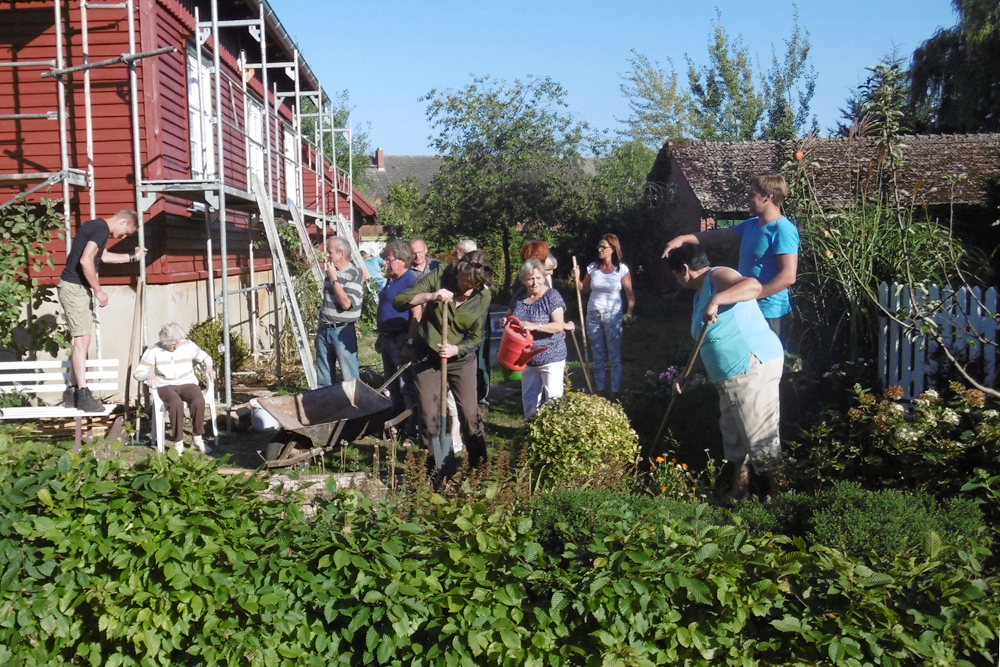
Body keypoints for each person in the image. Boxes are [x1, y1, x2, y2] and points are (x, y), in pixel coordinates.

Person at [667, 244, 784, 503]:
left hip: (751, 365)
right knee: (734, 433)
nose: (677, 279)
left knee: (758, 431)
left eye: (676, 274)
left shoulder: (718, 276)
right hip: (729, 375)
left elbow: (752, 286)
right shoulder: (700, 295)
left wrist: (717, 299)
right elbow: (705, 342)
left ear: (685, 269)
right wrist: (685, 375)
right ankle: (739, 492)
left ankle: (780, 497)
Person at [662, 173, 799, 347]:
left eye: (752, 194)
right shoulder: (751, 225)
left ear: (768, 197)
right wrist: (683, 238)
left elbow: (788, 276)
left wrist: (754, 294)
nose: (747, 199)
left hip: (771, 313)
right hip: (749, 307)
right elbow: (718, 235)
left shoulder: (782, 230)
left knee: (772, 366)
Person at [394, 251, 493, 479]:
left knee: (469, 415)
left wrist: (456, 349)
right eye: (464, 280)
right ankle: (440, 470)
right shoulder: (439, 276)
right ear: (458, 270)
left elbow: (476, 338)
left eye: (474, 283)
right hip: (427, 355)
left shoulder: (483, 296)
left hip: (461, 360)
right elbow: (399, 301)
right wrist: (430, 296)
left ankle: (480, 469)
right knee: (429, 417)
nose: (467, 287)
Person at [58, 209, 144, 412]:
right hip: (75, 288)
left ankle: (72, 392)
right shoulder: (101, 229)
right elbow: (86, 260)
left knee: (81, 340)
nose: (122, 237)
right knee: (82, 340)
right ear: (122, 221)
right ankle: (83, 393)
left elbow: (103, 256)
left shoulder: (95, 226)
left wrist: (132, 257)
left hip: (75, 288)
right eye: (125, 233)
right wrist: (98, 290)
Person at [133, 322, 215, 454]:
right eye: (172, 344)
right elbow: (138, 372)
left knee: (198, 401)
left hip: (188, 382)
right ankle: (178, 442)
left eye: (177, 342)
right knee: (175, 403)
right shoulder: (154, 350)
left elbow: (206, 357)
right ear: (163, 341)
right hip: (165, 384)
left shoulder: (188, 345)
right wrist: (148, 377)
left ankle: (197, 438)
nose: (176, 346)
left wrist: (209, 367)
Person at [503, 259, 569, 419]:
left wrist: (535, 326)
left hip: (551, 356)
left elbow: (559, 326)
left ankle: (553, 436)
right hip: (525, 358)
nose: (535, 282)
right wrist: (505, 320)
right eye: (530, 279)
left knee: (554, 401)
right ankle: (529, 436)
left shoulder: (552, 296)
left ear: (544, 277)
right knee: (530, 403)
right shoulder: (519, 295)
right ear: (523, 280)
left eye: (538, 278)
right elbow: (510, 314)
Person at [571, 234, 635, 399]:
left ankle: (614, 392)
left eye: (603, 247)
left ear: (613, 249)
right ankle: (599, 390)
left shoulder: (622, 270)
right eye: (599, 246)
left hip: (613, 316)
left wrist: (629, 312)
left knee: (613, 355)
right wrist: (576, 277)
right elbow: (582, 290)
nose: (599, 250)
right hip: (593, 315)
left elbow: (630, 294)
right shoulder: (593, 268)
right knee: (597, 354)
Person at [376, 241, 420, 445]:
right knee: (392, 386)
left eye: (389, 259)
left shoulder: (411, 281)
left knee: (406, 386)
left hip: (401, 339)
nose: (386, 262)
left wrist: (409, 343)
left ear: (402, 260)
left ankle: (412, 431)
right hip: (387, 340)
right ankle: (397, 425)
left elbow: (416, 315)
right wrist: (379, 336)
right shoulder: (390, 280)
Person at [316, 237, 363, 386]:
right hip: (324, 330)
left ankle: (355, 408)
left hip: (342, 331)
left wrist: (335, 280)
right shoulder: (331, 272)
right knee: (324, 379)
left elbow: (346, 303)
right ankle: (327, 407)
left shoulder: (355, 273)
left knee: (350, 378)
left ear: (341, 254)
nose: (327, 255)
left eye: (330, 252)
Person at [454, 238, 491, 409]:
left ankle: (481, 397)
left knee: (480, 359)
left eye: (458, 253)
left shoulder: (479, 277)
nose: (455, 256)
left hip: (477, 326)